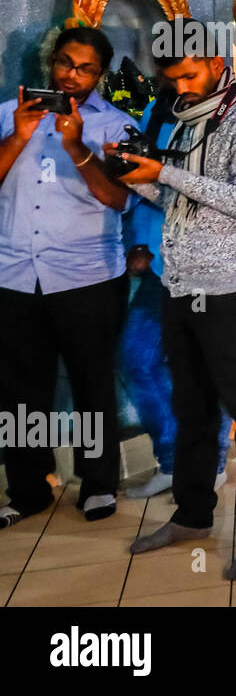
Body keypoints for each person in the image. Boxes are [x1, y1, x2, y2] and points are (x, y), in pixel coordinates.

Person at [113, 26, 236, 580]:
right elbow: (176, 198)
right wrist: (136, 176)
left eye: (189, 75)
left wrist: (163, 171)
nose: (181, 88)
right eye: (173, 80)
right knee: (192, 406)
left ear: (215, 60)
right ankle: (192, 515)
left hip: (228, 289)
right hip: (178, 283)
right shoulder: (185, 116)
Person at [0, 27, 134, 528]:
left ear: (99, 75)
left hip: (87, 275)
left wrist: (77, 146)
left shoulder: (116, 125)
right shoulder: (7, 115)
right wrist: (19, 136)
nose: (70, 76)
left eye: (84, 69)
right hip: (14, 272)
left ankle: (97, 485)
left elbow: (119, 199)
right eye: (64, 63)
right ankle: (28, 489)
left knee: (91, 383)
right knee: (19, 390)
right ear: (52, 61)